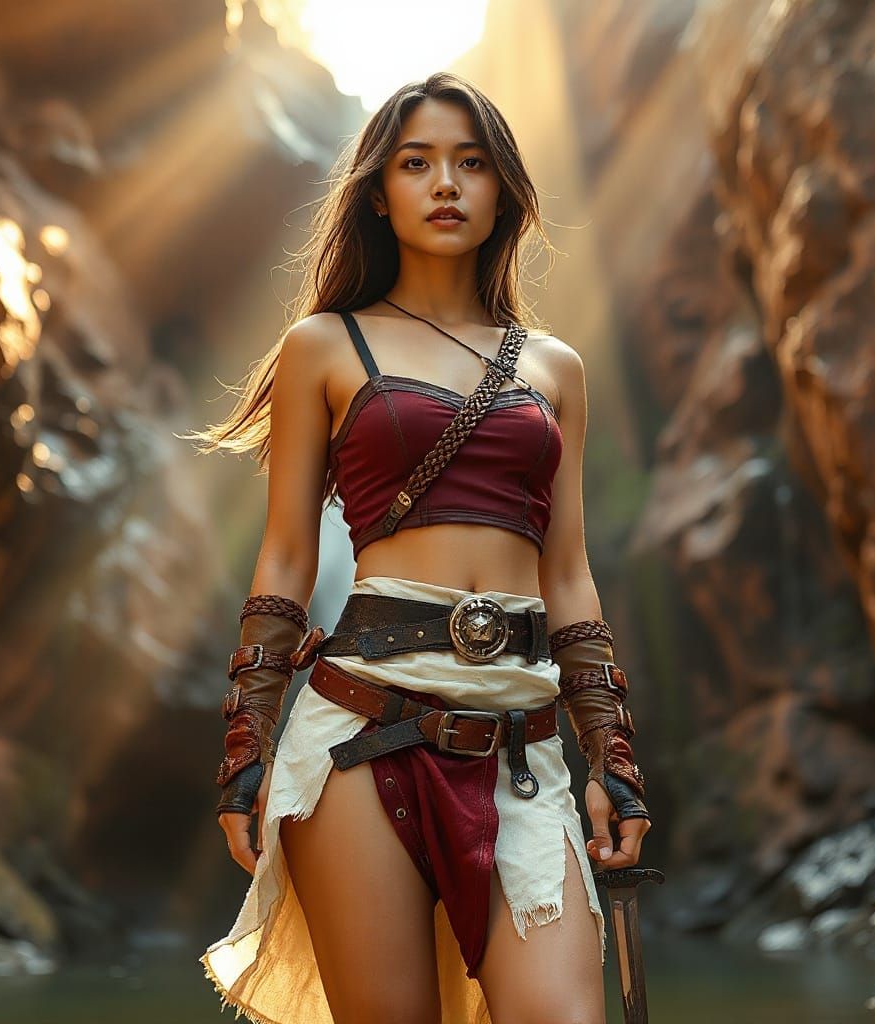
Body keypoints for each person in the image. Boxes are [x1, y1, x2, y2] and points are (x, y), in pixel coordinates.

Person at [188, 71, 652, 1024]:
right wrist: (246, 742)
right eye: (418, 163)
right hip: (360, 731)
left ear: (503, 191)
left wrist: (613, 757)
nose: (446, 183)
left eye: (471, 163)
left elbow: (567, 571)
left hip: (522, 743)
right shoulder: (322, 346)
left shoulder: (552, 368)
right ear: (378, 190)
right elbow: (285, 559)